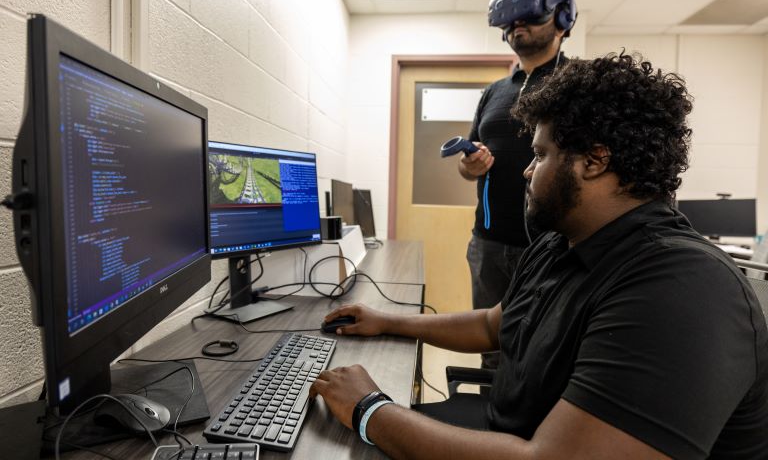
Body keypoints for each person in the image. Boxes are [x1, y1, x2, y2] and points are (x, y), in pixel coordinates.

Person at [310, 53, 768, 459]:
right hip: (508, 431)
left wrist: (371, 410)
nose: (527, 171)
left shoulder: (678, 288)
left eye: (541, 154)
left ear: (594, 161)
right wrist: (388, 320)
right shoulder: (560, 242)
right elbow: (495, 323)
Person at [460, 0, 576, 371]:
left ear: (561, 18)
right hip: (488, 246)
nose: (516, 28)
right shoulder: (493, 92)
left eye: (528, 17)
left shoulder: (579, 83)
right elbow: (467, 163)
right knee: (492, 353)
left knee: (544, 355)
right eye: (508, 23)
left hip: (554, 245)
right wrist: (469, 165)